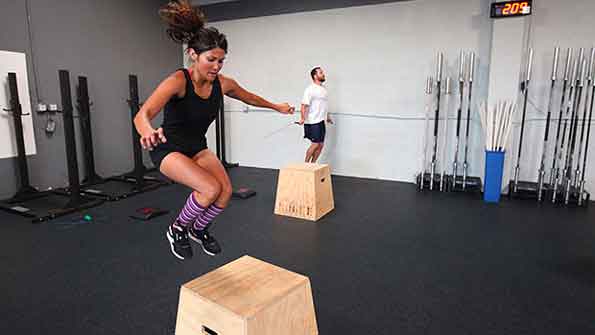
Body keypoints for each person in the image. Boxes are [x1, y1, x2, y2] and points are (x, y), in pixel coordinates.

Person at [134, 0, 294, 260]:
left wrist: (277, 107)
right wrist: (147, 131)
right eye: (211, 59)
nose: (217, 66)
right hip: (168, 149)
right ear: (193, 55)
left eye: (221, 61)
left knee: (225, 192)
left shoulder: (223, 83)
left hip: (196, 146)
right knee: (209, 189)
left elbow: (249, 97)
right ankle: (177, 230)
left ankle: (199, 229)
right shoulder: (178, 81)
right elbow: (143, 114)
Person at [299, 67, 332, 163]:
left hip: (322, 121)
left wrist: (328, 116)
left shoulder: (323, 89)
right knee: (315, 144)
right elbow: (303, 105)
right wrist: (302, 118)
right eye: (321, 73)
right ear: (315, 76)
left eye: (323, 72)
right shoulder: (310, 89)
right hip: (313, 121)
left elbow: (324, 104)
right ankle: (305, 165)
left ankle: (312, 165)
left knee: (321, 145)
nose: (323, 74)